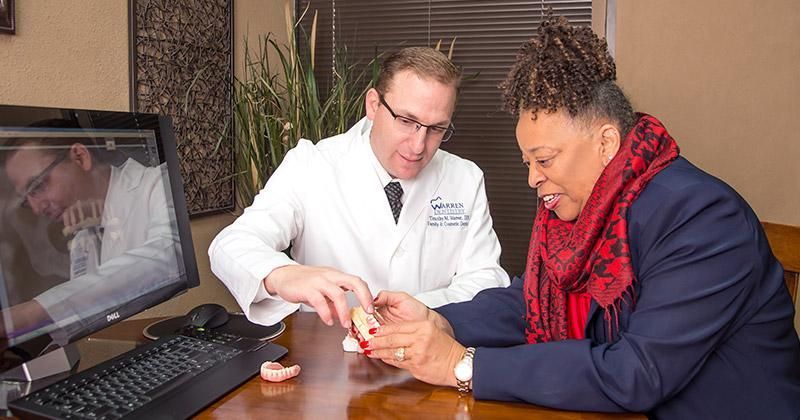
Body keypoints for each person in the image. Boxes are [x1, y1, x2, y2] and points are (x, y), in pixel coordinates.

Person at [362, 16, 800, 418]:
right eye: (527, 162)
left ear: (607, 142)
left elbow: (637, 373)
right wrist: (437, 318)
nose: (533, 179)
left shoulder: (701, 217)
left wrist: (463, 365)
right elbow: (529, 302)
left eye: (545, 160)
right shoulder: (583, 208)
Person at [209, 47, 509, 328]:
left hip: (427, 348)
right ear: (374, 105)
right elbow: (232, 245)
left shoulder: (464, 178)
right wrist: (281, 274)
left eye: (437, 129)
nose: (419, 145)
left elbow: (485, 277)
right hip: (330, 357)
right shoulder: (312, 165)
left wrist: (420, 308)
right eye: (406, 121)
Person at [1, 132, 183, 344]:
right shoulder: (83, 240)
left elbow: (170, 256)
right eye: (27, 200)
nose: (36, 208)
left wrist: (29, 314)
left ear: (80, 157)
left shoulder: (159, 184)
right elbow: (90, 313)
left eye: (38, 187)